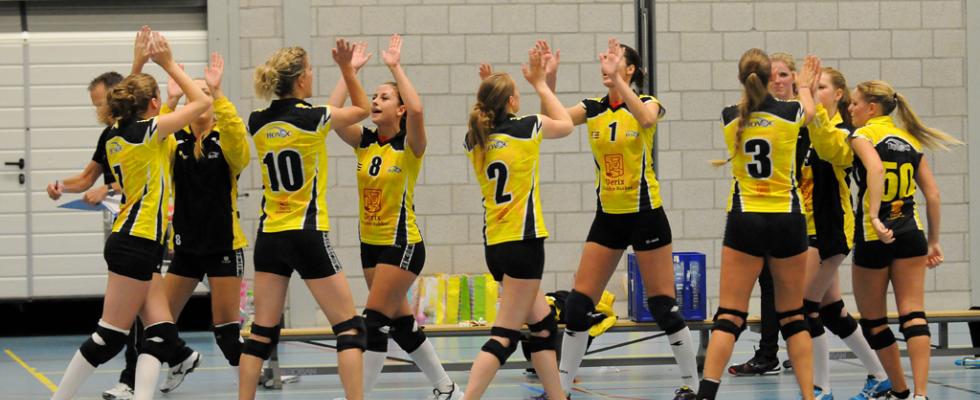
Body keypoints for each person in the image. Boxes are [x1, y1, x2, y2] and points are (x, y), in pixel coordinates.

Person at [50, 27, 213, 400]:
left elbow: (118, 111)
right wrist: (168, 63)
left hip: (137, 241)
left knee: (161, 334)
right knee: (109, 336)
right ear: (154, 104)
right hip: (135, 241)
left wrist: (139, 64)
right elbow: (202, 102)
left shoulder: (113, 134)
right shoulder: (149, 130)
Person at [537, 38, 698, 399]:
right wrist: (548, 81)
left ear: (630, 70)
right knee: (578, 305)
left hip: (646, 215)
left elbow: (646, 118)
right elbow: (551, 124)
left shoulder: (647, 102)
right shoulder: (593, 108)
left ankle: (693, 385)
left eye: (616, 58)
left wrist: (620, 83)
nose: (606, 63)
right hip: (608, 217)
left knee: (663, 306)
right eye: (605, 58)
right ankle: (561, 390)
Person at [326, 34, 460, 399]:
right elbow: (331, 115)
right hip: (370, 245)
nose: (375, 101)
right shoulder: (366, 141)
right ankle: (446, 388)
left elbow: (418, 110)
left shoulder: (410, 145)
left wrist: (395, 67)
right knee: (401, 324)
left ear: (399, 109)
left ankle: (357, 396)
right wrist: (348, 71)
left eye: (384, 97)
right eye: (373, 96)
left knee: (373, 324)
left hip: (402, 245)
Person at [241, 39, 369, 400]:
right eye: (310, 70)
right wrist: (348, 71)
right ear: (300, 79)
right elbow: (361, 109)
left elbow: (325, 111)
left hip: (270, 236)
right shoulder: (313, 119)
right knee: (350, 329)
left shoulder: (258, 121)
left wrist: (350, 71)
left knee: (261, 334)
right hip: (307, 233)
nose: (313, 75)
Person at [695, 49, 819, 400]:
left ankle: (707, 393)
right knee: (793, 316)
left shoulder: (730, 116)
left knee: (730, 315)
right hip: (787, 218)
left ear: (742, 79)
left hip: (745, 218)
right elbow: (810, 112)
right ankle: (809, 396)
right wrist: (804, 85)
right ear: (769, 78)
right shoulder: (790, 111)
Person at [460, 47, 574, 400]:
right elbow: (565, 124)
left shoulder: (474, 139)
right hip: (524, 243)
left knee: (543, 326)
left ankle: (557, 396)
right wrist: (541, 83)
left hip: (496, 245)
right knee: (505, 336)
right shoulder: (527, 127)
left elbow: (498, 121)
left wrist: (493, 86)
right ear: (511, 101)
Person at [848, 80, 960, 400]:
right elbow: (933, 195)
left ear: (872, 108)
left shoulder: (863, 135)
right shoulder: (909, 139)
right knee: (913, 314)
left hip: (875, 235)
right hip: (912, 233)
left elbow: (875, 170)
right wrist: (934, 241)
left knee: (874, 320)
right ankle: (921, 395)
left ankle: (899, 390)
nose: (850, 109)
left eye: (855, 103)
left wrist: (874, 216)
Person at [148, 51, 250, 392]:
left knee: (226, 333)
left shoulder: (226, 139)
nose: (200, 100)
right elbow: (153, 138)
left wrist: (217, 93)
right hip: (187, 248)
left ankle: (248, 385)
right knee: (157, 321)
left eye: (203, 95)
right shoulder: (176, 140)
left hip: (224, 246)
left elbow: (240, 143)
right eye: (195, 95)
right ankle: (178, 360)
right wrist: (170, 101)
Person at [47, 71, 147, 400]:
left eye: (101, 102)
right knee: (144, 323)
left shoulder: (146, 131)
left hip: (150, 228)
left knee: (147, 324)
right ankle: (160, 366)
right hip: (129, 233)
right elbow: (86, 178)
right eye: (95, 105)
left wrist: (110, 187)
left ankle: (165, 363)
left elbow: (145, 176)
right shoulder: (110, 135)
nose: (99, 111)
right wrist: (61, 187)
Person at [802, 67, 892, 400]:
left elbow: (829, 148)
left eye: (821, 87)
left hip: (831, 230)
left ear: (838, 94)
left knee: (803, 308)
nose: (815, 92)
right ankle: (879, 376)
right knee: (831, 310)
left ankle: (821, 388)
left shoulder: (844, 134)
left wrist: (807, 100)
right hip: (808, 226)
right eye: (812, 87)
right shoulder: (807, 129)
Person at [728, 52, 798, 377]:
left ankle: (803, 357)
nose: (779, 81)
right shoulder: (768, 116)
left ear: (795, 78)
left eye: (785, 75)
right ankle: (770, 352)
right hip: (771, 211)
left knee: (812, 297)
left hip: (800, 210)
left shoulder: (798, 114)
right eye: (775, 75)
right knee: (771, 285)